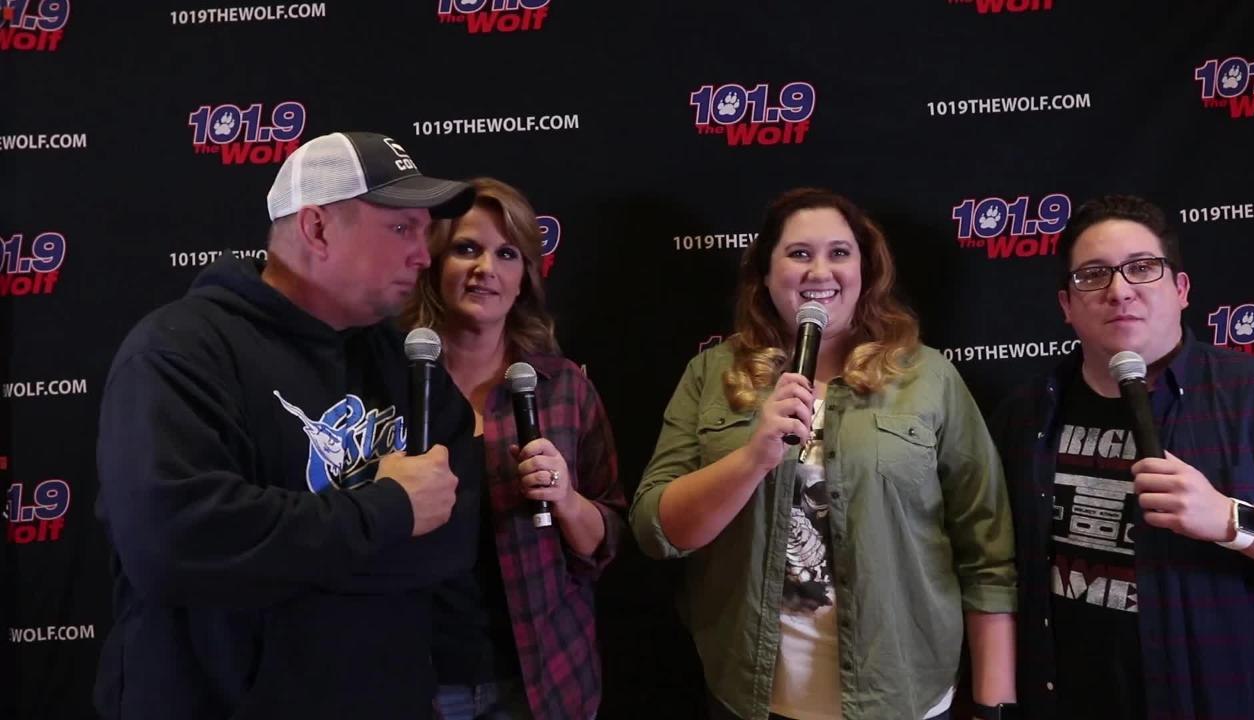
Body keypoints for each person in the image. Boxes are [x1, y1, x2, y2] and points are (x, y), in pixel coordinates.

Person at [94, 131, 482, 719]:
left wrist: (277, 561)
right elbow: (176, 544)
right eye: (401, 228)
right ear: (317, 228)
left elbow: (452, 537)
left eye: (423, 231)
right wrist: (386, 512)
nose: (424, 255)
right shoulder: (180, 351)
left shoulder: (404, 361)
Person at [631, 187, 1018, 720]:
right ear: (766, 274)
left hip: (903, 695)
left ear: (864, 270)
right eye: (798, 253)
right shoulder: (711, 374)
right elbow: (657, 531)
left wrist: (993, 705)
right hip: (751, 696)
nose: (820, 271)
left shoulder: (928, 377)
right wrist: (752, 458)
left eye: (839, 252)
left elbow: (987, 551)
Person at [989, 194, 1254, 720]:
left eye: (1142, 268)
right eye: (1093, 275)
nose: (1119, 290)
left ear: (1181, 289)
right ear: (1066, 305)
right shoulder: (1025, 414)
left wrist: (1229, 519)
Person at [405, 177, 627, 720]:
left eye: (507, 254)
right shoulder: (388, 384)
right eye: (466, 249)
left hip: (542, 682)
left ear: (525, 275)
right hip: (413, 678)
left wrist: (567, 498)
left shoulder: (564, 386)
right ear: (434, 262)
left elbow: (607, 538)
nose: (486, 268)